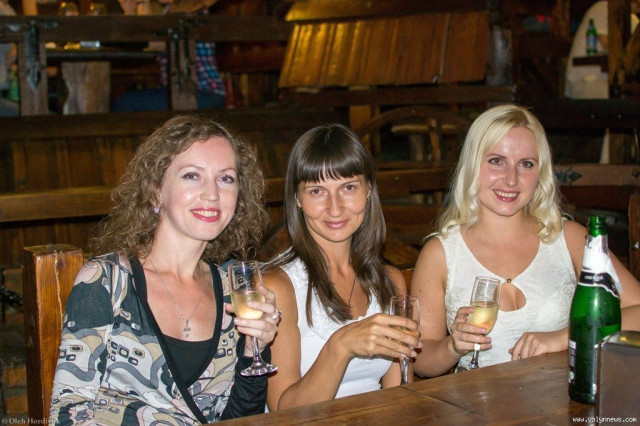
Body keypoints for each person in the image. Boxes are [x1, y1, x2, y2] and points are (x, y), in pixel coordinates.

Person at [50, 114, 278, 424]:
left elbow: (239, 419)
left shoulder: (232, 292)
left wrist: (255, 349)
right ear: (156, 190)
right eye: (192, 175)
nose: (212, 194)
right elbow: (67, 414)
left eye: (226, 178)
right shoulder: (107, 280)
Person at [410, 104, 640, 377]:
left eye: (526, 164)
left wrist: (563, 337)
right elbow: (421, 362)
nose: (511, 180)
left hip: (563, 398)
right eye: (496, 161)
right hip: (477, 401)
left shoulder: (569, 238)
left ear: (541, 173)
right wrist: (453, 346)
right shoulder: (441, 253)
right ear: (472, 165)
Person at [262, 124, 420, 411]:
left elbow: (400, 395)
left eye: (348, 187)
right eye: (317, 191)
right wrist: (341, 345)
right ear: (297, 198)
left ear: (368, 189)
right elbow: (283, 413)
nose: (335, 208)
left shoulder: (389, 281)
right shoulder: (279, 287)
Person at [111, 0, 226, 111]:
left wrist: (130, 14)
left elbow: (152, 42)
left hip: (204, 93)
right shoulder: (168, 12)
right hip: (182, 91)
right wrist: (130, 12)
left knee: (125, 103)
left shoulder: (194, 11)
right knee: (126, 101)